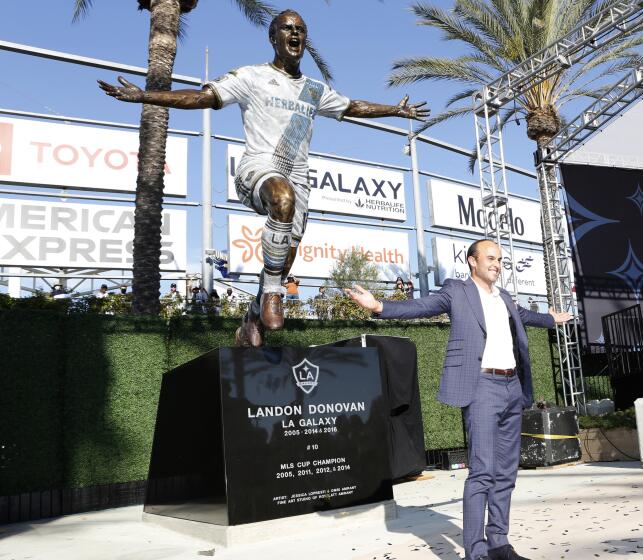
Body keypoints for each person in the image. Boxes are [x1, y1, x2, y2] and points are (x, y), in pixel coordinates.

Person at [98, 10, 428, 349]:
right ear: (274, 38)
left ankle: (252, 318)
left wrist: (395, 110)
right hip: (258, 168)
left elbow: (353, 106)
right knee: (281, 199)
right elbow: (201, 97)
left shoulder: (314, 91)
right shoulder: (252, 76)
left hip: (298, 176)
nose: (295, 33)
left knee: (286, 254)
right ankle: (272, 293)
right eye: (287, 28)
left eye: (301, 29)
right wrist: (145, 96)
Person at [346, 239, 573, 560]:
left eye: (500, 259)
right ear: (472, 261)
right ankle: (476, 552)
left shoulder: (504, 297)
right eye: (490, 258)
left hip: (511, 387)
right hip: (481, 387)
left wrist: (551, 319)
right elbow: (423, 306)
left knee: (507, 471)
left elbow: (524, 315)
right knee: (482, 470)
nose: (496, 263)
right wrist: (379, 306)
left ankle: (499, 543)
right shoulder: (457, 292)